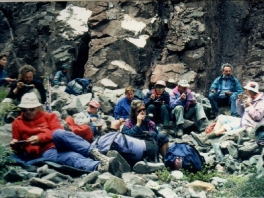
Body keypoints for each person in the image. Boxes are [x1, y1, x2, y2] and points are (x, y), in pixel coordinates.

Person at [10, 92, 121, 175]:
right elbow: (17, 148)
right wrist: (15, 144)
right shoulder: (17, 123)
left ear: (38, 107)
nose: (28, 112)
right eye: (25, 110)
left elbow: (57, 131)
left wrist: (40, 138)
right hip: (45, 151)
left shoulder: (49, 116)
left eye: (31, 109)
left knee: (59, 133)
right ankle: (100, 167)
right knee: (71, 157)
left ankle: (95, 154)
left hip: (57, 141)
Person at [192, 81, 264, 146]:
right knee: (221, 117)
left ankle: (206, 138)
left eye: (247, 90)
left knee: (227, 126)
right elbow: (240, 113)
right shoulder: (251, 98)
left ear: (251, 91)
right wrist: (239, 101)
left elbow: (257, 117)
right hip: (244, 120)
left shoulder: (261, 101)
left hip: (251, 125)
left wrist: (249, 106)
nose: (245, 91)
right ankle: (209, 137)